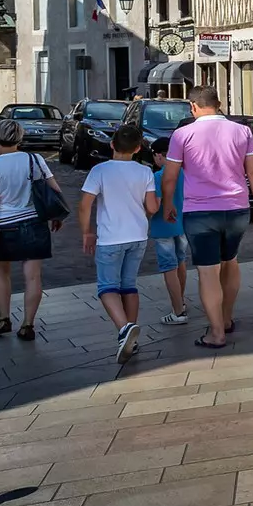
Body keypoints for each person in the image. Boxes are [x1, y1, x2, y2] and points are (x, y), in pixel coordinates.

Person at [160, 86, 253, 349]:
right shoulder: (242, 131)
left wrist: (168, 205)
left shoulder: (182, 134)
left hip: (200, 212)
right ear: (218, 104)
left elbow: (170, 176)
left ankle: (216, 333)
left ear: (193, 106)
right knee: (230, 262)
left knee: (208, 272)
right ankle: (227, 319)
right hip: (237, 208)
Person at [80, 123, 159, 361]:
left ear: (112, 144)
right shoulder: (144, 172)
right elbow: (152, 207)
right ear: (137, 149)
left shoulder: (100, 171)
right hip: (138, 236)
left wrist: (87, 232)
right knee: (129, 286)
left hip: (111, 237)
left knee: (107, 287)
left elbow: (85, 204)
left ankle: (124, 328)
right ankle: (130, 338)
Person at [0, 116, 62, 340]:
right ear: (20, 138)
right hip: (35, 222)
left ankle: (4, 318)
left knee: (1, 272)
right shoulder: (34, 159)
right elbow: (54, 188)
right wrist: (55, 215)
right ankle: (27, 324)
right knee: (33, 276)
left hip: (5, 225)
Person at [148, 135, 191, 324]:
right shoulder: (185, 172)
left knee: (168, 267)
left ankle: (178, 311)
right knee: (181, 261)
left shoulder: (158, 176)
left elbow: (155, 206)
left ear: (158, 155)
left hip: (163, 227)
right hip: (183, 224)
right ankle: (180, 300)